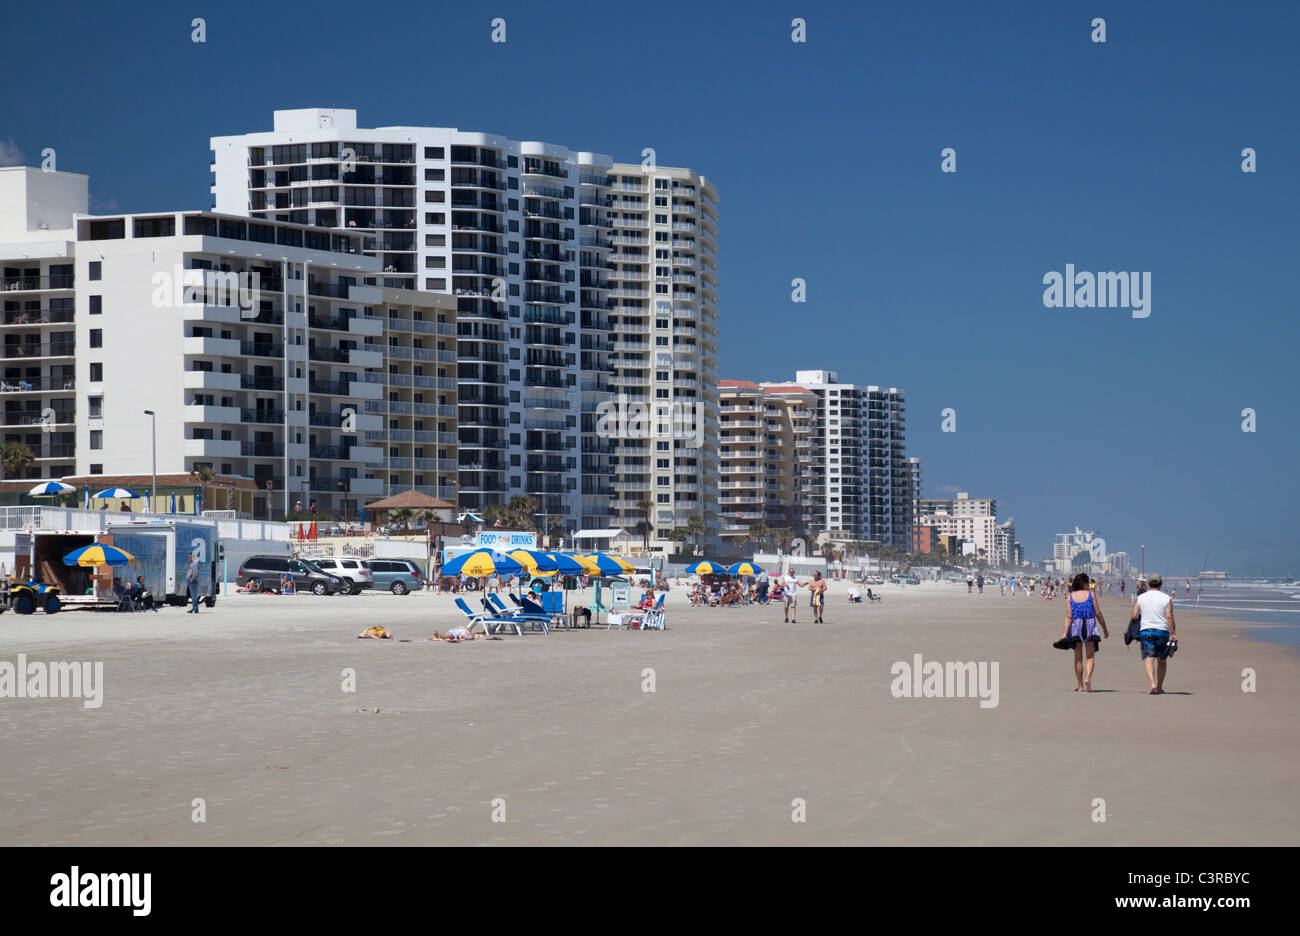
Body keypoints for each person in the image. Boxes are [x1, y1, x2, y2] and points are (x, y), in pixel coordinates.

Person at [1057, 571, 1109, 691]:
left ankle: (1080, 686)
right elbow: (1098, 613)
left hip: (1076, 626)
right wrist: (1105, 628)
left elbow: (1068, 616)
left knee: (1078, 657)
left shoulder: (1070, 596)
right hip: (1089, 625)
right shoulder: (1091, 595)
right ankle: (1088, 678)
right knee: (1090, 656)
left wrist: (1064, 634)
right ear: (1085, 583)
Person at [1133, 573, 1177, 694]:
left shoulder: (1141, 598)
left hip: (1146, 630)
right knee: (1162, 659)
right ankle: (1159, 686)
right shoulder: (1166, 598)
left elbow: (1134, 615)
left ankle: (1152, 683)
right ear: (1161, 584)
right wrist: (1173, 633)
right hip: (1162, 631)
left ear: (1148, 584)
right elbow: (1169, 616)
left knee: (1148, 657)